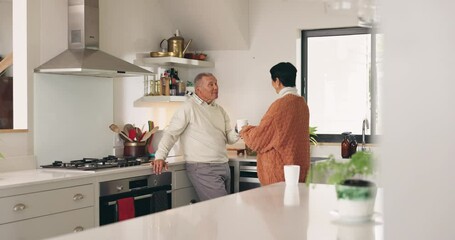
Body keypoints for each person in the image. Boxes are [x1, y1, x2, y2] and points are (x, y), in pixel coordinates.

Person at [152, 73, 239, 201]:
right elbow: (171, 133)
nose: (216, 87)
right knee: (222, 208)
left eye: (216, 83)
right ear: (198, 89)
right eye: (211, 84)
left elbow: (229, 138)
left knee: (215, 213)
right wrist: (160, 156)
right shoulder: (189, 107)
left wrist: (239, 130)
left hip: (223, 165)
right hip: (203, 168)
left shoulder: (220, 110)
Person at [240, 62, 310, 186]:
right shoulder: (302, 104)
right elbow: (277, 132)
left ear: (277, 81)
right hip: (296, 169)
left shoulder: (280, 105)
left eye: (272, 81)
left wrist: (245, 130)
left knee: (275, 204)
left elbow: (258, 140)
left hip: (280, 172)